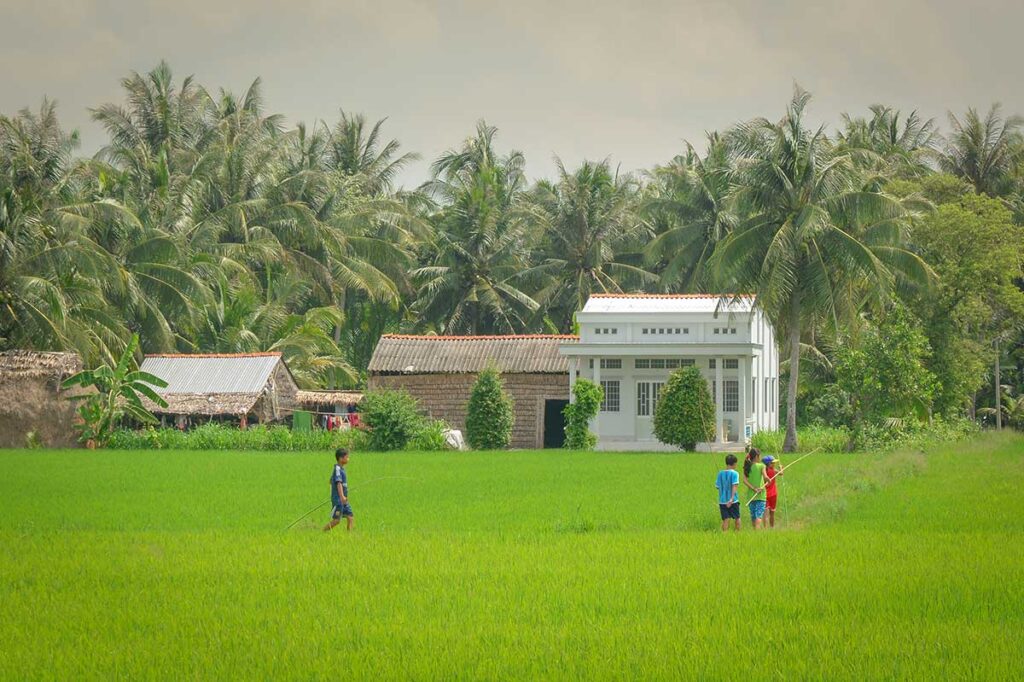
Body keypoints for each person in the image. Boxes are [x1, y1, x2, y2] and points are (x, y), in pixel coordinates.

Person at [323, 448, 353, 532]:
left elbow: (331, 481)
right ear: (341, 458)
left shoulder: (340, 469)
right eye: (347, 457)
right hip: (339, 500)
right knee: (337, 520)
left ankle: (349, 536)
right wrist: (342, 496)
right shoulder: (338, 470)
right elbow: (338, 483)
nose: (348, 459)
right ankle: (323, 531)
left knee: (350, 517)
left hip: (343, 500)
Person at [715, 454, 741, 532]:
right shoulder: (735, 473)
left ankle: (725, 535)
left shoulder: (720, 473)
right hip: (733, 500)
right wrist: (731, 499)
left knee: (725, 519)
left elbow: (717, 486)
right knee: (737, 517)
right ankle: (738, 534)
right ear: (734, 463)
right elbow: (734, 486)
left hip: (722, 501)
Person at [743, 446, 767, 529]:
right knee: (758, 516)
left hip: (751, 496)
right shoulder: (761, 466)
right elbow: (765, 476)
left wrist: (753, 488)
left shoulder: (747, 467)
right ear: (757, 456)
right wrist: (768, 480)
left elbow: (745, 481)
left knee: (753, 517)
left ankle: (754, 533)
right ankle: (757, 533)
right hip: (760, 496)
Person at [763, 455, 783, 529]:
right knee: (770, 512)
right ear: (768, 464)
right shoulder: (771, 471)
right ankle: (769, 527)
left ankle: (769, 527)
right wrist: (781, 468)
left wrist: (780, 468)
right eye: (772, 463)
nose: (774, 464)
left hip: (769, 494)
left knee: (768, 512)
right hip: (770, 494)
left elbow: (780, 473)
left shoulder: (765, 471)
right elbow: (781, 473)